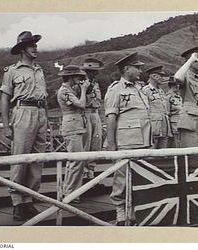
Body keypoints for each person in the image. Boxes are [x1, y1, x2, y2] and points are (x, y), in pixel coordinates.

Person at [0, 31, 48, 221]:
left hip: (41, 114)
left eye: (35, 44)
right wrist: (5, 126)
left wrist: (46, 120)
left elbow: (43, 97)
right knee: (20, 160)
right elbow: (4, 99)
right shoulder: (12, 71)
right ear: (22, 49)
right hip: (22, 113)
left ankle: (29, 200)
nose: (35, 47)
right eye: (31, 45)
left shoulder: (39, 70)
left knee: (37, 160)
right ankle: (17, 202)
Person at [104, 52, 151, 226]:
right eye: (137, 67)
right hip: (126, 141)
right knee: (121, 179)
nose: (140, 70)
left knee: (139, 178)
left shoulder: (139, 88)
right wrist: (111, 145)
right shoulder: (116, 89)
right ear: (126, 69)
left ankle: (135, 211)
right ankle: (121, 212)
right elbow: (110, 117)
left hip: (144, 141)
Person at [57, 65, 90, 203]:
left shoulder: (71, 90)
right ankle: (69, 192)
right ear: (70, 77)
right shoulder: (64, 91)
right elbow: (81, 104)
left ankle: (75, 191)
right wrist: (83, 89)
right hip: (71, 127)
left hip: (78, 126)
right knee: (76, 160)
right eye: (78, 77)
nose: (80, 79)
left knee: (79, 161)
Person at [174, 46, 198, 147]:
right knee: (190, 158)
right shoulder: (186, 76)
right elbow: (177, 77)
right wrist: (190, 60)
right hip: (190, 125)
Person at [80, 58, 104, 180]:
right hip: (85, 113)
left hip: (95, 113)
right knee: (86, 143)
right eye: (91, 71)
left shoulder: (95, 84)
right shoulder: (81, 84)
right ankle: (83, 173)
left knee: (96, 144)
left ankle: (91, 172)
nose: (95, 73)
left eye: (95, 71)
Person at [142, 66, 172, 149]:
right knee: (151, 155)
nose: (163, 78)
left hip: (164, 127)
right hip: (152, 128)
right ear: (153, 76)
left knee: (162, 154)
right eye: (160, 76)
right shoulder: (145, 90)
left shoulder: (161, 91)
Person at [166, 76, 183, 148]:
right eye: (175, 85)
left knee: (179, 141)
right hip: (173, 123)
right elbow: (167, 112)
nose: (178, 86)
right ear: (171, 86)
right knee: (175, 142)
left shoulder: (178, 97)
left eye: (178, 85)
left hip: (180, 121)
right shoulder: (168, 97)